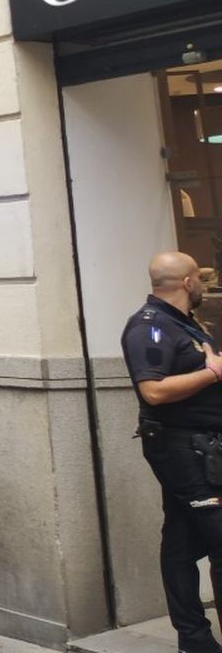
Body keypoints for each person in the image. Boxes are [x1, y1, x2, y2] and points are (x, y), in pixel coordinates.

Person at [122, 252, 222, 653]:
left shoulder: (184, 324)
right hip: (183, 448)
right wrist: (214, 372)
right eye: (199, 277)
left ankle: (194, 641)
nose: (201, 284)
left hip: (202, 447)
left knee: (180, 542)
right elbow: (153, 390)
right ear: (186, 282)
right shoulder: (149, 327)